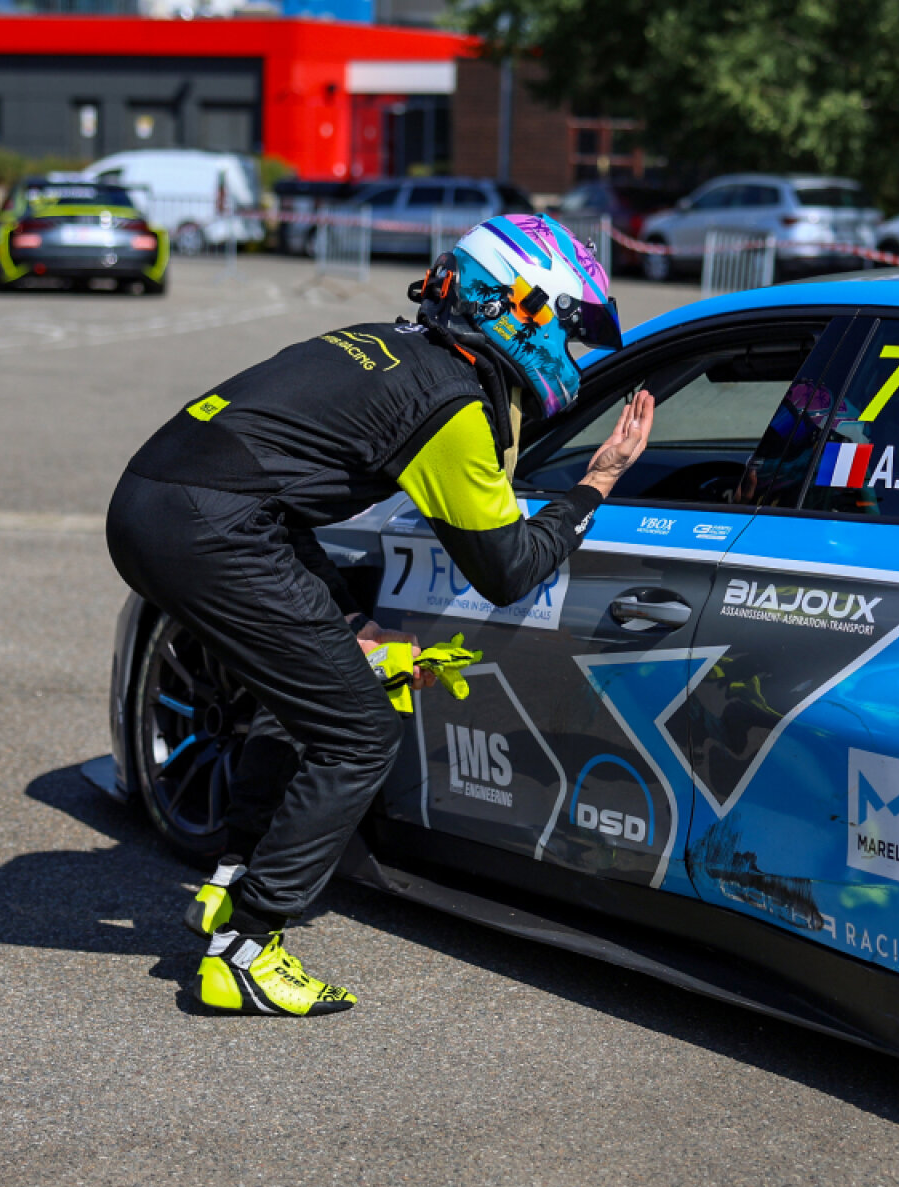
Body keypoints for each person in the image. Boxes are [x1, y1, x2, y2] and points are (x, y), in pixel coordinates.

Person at [105, 214, 653, 1016]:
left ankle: (230, 882)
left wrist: (346, 621)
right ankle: (248, 950)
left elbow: (271, 493)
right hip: (209, 526)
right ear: (518, 309)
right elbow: (508, 570)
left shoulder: (381, 344)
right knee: (359, 731)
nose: (571, 354)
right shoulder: (452, 406)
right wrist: (596, 483)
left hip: (152, 499)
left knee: (316, 682)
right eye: (569, 332)